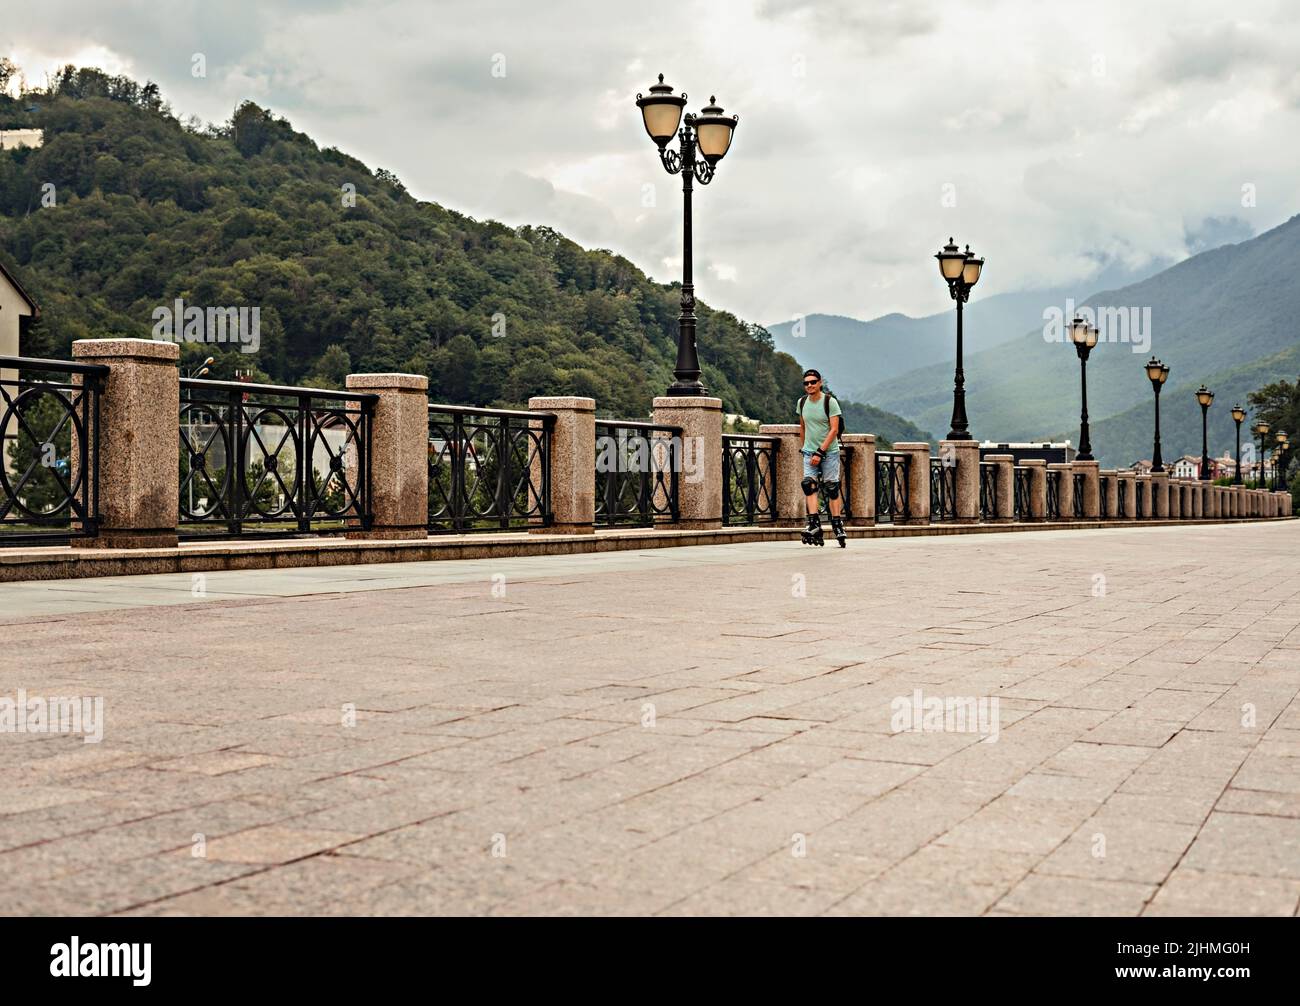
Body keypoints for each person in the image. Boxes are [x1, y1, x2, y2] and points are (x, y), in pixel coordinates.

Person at [797, 369, 846, 547]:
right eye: (806, 383)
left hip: (829, 452)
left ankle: (837, 524)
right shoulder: (802, 402)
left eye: (813, 382)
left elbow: (834, 429)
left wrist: (820, 452)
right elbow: (802, 426)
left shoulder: (829, 402)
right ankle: (814, 524)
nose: (809, 385)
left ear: (820, 383)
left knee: (832, 488)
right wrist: (805, 447)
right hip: (809, 452)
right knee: (808, 485)